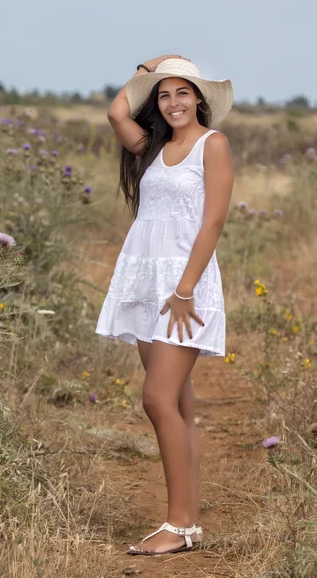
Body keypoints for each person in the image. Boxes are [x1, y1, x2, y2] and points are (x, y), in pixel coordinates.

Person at [96, 54, 234, 555]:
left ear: (199, 99)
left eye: (182, 92)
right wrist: (143, 73)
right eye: (164, 94)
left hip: (183, 288)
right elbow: (116, 114)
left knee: (157, 399)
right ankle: (189, 524)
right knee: (176, 404)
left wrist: (184, 290)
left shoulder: (211, 145)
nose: (173, 102)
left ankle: (176, 528)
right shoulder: (152, 146)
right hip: (143, 281)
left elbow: (212, 223)